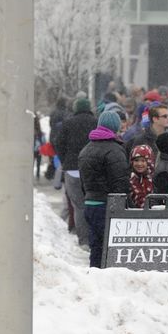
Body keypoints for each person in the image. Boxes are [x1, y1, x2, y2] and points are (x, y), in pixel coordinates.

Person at [78, 109, 130, 269]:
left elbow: (83, 182)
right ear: (115, 127)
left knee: (96, 245)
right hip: (107, 206)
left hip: (90, 204)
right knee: (109, 247)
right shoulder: (114, 150)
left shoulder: (85, 150)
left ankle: (94, 277)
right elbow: (120, 182)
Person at [57, 97, 99, 247]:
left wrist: (65, 162)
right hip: (91, 168)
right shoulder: (96, 122)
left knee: (78, 206)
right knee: (93, 204)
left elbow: (59, 144)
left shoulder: (68, 123)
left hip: (72, 169)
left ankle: (83, 240)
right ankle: (95, 237)